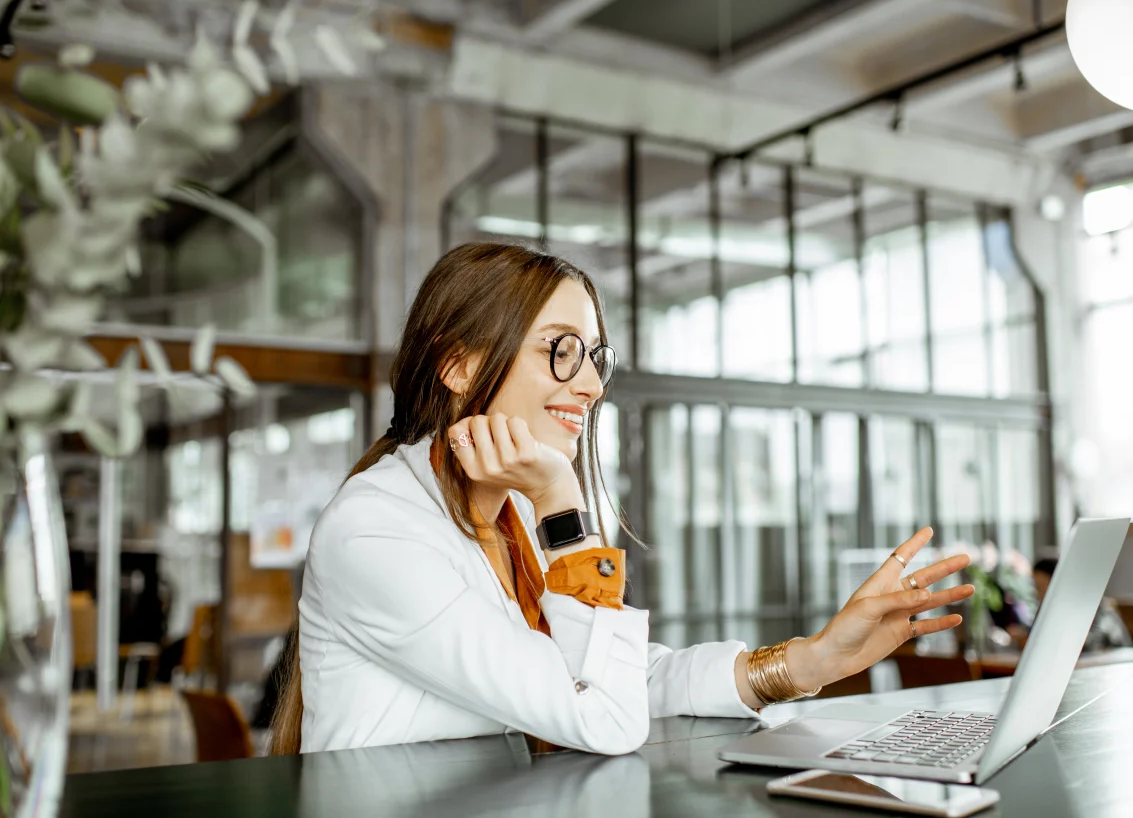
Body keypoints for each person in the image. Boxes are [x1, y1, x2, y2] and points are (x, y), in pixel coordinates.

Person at [269, 242, 974, 756]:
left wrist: (807, 662)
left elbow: (612, 675)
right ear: (459, 365)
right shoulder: (376, 530)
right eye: (561, 349)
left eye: (595, 356)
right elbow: (602, 717)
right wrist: (558, 493)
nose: (591, 384)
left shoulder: (509, 514)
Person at [1008, 556, 1131, 653]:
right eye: (1036, 587)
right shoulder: (1048, 608)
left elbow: (1092, 642)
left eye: (1042, 587)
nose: (1038, 594)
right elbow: (1036, 633)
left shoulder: (1090, 602)